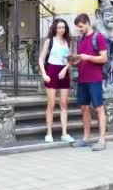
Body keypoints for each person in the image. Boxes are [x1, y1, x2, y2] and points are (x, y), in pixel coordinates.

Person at [70, 13, 109, 151]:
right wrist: (74, 62)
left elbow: (104, 58)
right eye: (78, 27)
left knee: (98, 108)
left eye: (80, 26)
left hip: (95, 79)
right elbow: (81, 60)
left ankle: (102, 140)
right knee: (84, 109)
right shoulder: (80, 40)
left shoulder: (98, 37)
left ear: (87, 23)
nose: (79, 29)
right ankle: (86, 138)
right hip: (82, 79)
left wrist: (87, 57)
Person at [38, 18, 75, 143]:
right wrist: (44, 74)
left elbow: (71, 59)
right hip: (51, 71)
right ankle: (49, 133)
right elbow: (41, 59)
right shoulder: (49, 41)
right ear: (55, 28)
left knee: (64, 104)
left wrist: (65, 69)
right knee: (51, 104)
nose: (61, 30)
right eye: (59, 27)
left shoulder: (68, 41)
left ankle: (64, 133)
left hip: (63, 72)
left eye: (63, 27)